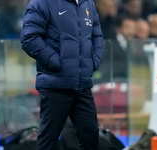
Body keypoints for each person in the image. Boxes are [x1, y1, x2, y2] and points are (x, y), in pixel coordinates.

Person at [20, 0, 104, 149]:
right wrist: (57, 63)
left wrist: (94, 61)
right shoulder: (42, 2)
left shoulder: (87, 3)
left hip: (82, 85)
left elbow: (96, 34)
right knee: (48, 140)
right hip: (55, 85)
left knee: (91, 136)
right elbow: (29, 38)